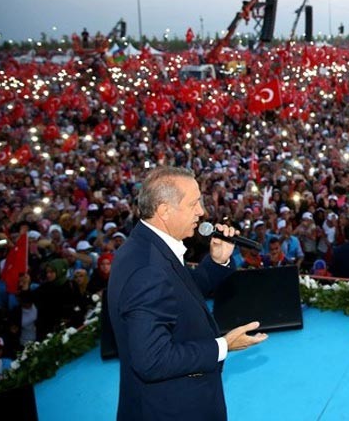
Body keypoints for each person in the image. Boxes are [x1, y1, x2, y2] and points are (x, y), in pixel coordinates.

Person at [108, 167, 267, 421]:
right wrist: (222, 346)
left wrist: (217, 262)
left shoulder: (148, 245)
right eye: (193, 203)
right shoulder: (147, 269)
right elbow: (152, 360)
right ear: (164, 210)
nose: (201, 212)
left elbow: (180, 292)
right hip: (171, 410)